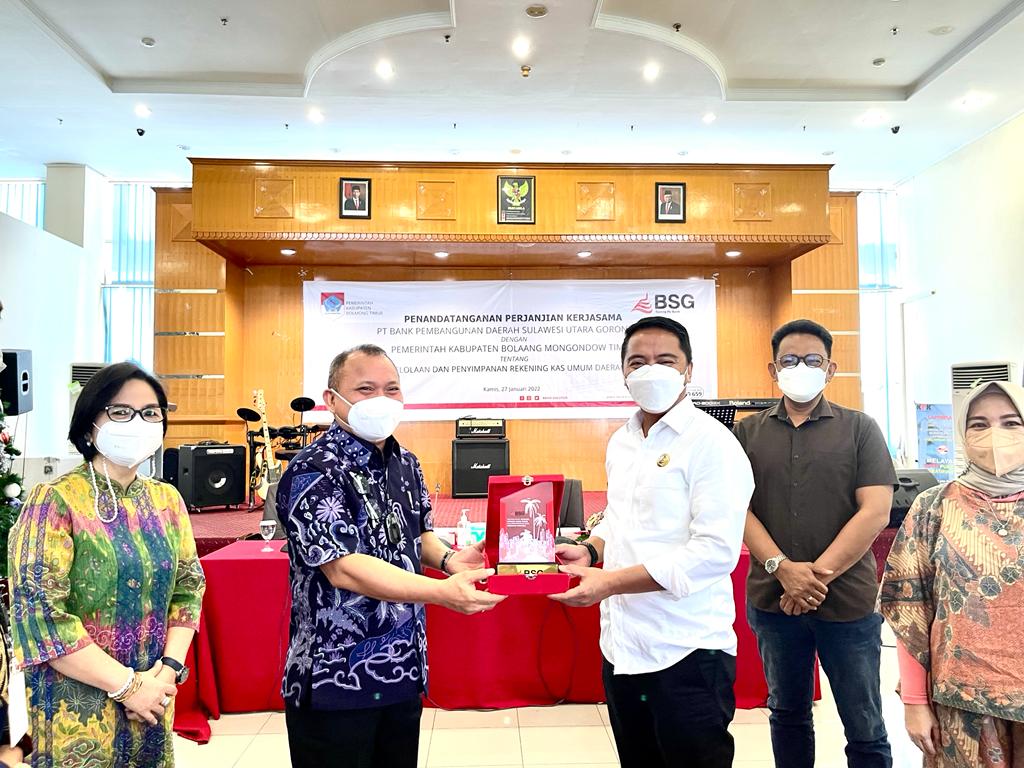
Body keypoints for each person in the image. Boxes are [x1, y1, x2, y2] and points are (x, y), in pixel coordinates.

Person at [277, 344, 504, 768]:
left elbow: (418, 535)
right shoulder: (314, 469)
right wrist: (441, 592)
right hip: (334, 679)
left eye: (391, 389)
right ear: (331, 400)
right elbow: (343, 568)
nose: (381, 399)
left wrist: (450, 560)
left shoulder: (406, 463)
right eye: (365, 389)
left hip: (403, 670)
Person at [551, 316, 754, 768]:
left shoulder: (712, 444)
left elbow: (714, 552)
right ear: (623, 372)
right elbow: (621, 518)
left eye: (666, 360)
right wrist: (591, 549)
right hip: (622, 645)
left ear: (688, 370)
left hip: (687, 649)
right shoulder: (622, 441)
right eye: (638, 362)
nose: (651, 371)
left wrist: (608, 583)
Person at [8, 362, 206, 767]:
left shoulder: (167, 501)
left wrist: (167, 672)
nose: (138, 422)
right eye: (121, 411)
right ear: (89, 424)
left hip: (154, 695)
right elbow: (41, 618)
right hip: (77, 707)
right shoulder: (54, 500)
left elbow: (189, 590)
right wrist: (128, 686)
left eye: (150, 413)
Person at [734, 318, 896, 768]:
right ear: (773, 369)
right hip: (773, 601)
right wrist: (782, 569)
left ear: (830, 368)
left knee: (864, 726)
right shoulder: (747, 434)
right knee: (787, 715)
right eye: (789, 360)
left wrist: (810, 579)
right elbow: (737, 509)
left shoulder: (860, 428)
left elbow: (875, 512)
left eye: (812, 360)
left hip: (847, 603)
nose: (800, 367)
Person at [880, 380, 1024, 765]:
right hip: (961, 707)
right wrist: (915, 702)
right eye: (979, 424)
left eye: (1011, 422)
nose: (995, 435)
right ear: (963, 433)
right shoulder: (935, 506)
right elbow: (910, 607)